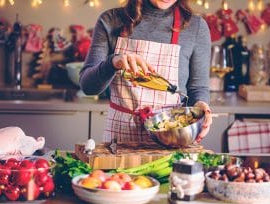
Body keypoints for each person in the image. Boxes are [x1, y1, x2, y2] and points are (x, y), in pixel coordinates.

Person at [80, 0, 212, 143]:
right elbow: (88, 87)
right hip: (120, 140)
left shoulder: (196, 27)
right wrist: (113, 63)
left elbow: (197, 88)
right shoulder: (110, 20)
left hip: (172, 138)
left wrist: (201, 106)